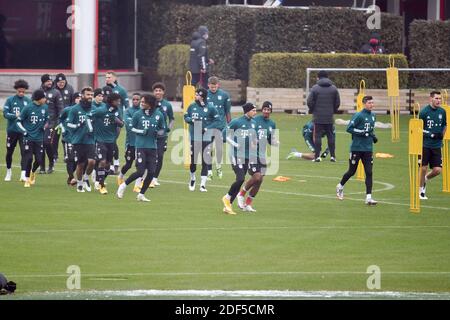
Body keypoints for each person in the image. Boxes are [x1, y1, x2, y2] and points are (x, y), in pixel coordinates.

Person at [116, 94, 165, 202]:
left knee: (152, 172)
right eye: (141, 102)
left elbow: (163, 129)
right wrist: (141, 131)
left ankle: (141, 194)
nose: (141, 103)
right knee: (140, 171)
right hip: (140, 146)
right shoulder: (138, 114)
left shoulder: (159, 115)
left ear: (150, 104)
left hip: (153, 147)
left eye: (143, 102)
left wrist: (159, 133)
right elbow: (131, 128)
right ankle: (123, 185)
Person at [336, 96, 378, 205]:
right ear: (364, 104)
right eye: (369, 103)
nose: (371, 105)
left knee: (369, 172)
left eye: (372, 103)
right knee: (352, 171)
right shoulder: (358, 115)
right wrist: (362, 132)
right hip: (356, 148)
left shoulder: (373, 116)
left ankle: (368, 197)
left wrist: (373, 136)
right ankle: (340, 186)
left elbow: (370, 130)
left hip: (368, 149)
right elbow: (349, 128)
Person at [236, 101, 278, 212]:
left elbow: (270, 140)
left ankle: (248, 204)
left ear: (271, 111)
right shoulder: (255, 121)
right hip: (252, 154)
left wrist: (275, 142)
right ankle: (241, 194)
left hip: (262, 155)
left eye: (268, 109)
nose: (266, 111)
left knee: (259, 181)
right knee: (257, 176)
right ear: (262, 110)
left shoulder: (272, 124)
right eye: (264, 109)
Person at [222, 102, 258, 215]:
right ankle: (227, 197)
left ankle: (228, 206)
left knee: (240, 180)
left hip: (247, 155)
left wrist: (254, 142)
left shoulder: (253, 123)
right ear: (247, 111)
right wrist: (235, 144)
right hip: (235, 154)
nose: (255, 112)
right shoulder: (237, 122)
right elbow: (224, 135)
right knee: (240, 178)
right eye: (253, 110)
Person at [184, 87, 220, 192]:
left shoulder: (211, 107)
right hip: (195, 137)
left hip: (206, 137)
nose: (195, 96)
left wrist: (207, 128)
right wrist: (191, 120)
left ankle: (203, 184)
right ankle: (192, 178)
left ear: (202, 96)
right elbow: (186, 117)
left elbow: (217, 120)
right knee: (193, 161)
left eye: (197, 95)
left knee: (205, 160)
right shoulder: (192, 106)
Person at [90, 92, 124, 195]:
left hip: (111, 141)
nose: (118, 102)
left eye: (119, 100)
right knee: (102, 162)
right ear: (111, 101)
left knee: (108, 166)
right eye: (116, 100)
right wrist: (92, 129)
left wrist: (116, 120)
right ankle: (101, 185)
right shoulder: (101, 110)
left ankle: (99, 180)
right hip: (100, 140)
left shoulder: (117, 110)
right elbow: (89, 116)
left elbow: (122, 124)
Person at [16, 89, 49, 188]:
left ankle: (32, 173)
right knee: (29, 158)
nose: (45, 99)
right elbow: (18, 121)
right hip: (28, 138)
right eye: (44, 97)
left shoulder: (45, 107)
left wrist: (45, 126)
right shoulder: (28, 108)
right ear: (39, 98)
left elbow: (47, 120)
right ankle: (26, 179)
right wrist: (24, 131)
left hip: (39, 138)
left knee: (39, 160)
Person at [67, 87, 96, 193]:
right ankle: (79, 183)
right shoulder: (74, 109)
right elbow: (68, 124)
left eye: (91, 95)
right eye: (88, 95)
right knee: (80, 164)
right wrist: (77, 126)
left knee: (92, 162)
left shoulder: (94, 108)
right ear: (82, 95)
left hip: (90, 140)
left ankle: (86, 177)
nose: (90, 97)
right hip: (78, 140)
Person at [419, 91, 447, 200]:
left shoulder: (442, 111)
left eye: (440, 98)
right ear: (431, 99)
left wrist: (441, 136)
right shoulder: (424, 112)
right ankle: (421, 190)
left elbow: (445, 125)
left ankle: (425, 179)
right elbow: (418, 128)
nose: (439, 100)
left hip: (437, 146)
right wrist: (430, 134)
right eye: (436, 98)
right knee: (424, 168)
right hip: (425, 145)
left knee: (437, 170)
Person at [307, 70, 340, 162]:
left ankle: (317, 157)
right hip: (329, 116)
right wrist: (332, 110)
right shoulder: (334, 88)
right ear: (327, 77)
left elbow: (309, 101)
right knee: (330, 135)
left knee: (317, 136)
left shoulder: (315, 88)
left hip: (318, 116)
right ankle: (333, 157)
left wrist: (313, 109)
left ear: (318, 77)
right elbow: (337, 102)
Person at [3, 79, 31, 182]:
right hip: (12, 130)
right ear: (16, 90)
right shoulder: (10, 100)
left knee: (24, 152)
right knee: (9, 152)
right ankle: (8, 171)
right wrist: (15, 115)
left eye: (23, 91)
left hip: (23, 131)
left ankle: (23, 173)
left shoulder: (28, 101)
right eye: (19, 91)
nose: (21, 93)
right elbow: (5, 114)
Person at [206, 76, 231, 180]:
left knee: (219, 148)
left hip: (220, 126)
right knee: (208, 149)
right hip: (208, 126)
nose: (213, 89)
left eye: (215, 87)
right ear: (208, 85)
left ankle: (219, 167)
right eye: (211, 87)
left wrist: (229, 125)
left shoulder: (224, 95)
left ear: (218, 85)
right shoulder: (205, 95)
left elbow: (227, 111)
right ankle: (209, 171)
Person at [117, 93, 143, 192]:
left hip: (141, 144)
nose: (136, 101)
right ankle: (120, 176)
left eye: (138, 99)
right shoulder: (127, 111)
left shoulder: (143, 111)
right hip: (130, 143)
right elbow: (129, 124)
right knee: (128, 164)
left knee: (140, 165)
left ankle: (137, 185)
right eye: (134, 99)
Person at [105, 70, 129, 174]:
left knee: (112, 141)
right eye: (106, 77)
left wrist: (124, 118)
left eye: (109, 77)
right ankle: (111, 165)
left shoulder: (121, 90)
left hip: (117, 120)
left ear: (115, 78)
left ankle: (115, 165)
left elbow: (127, 106)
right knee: (108, 142)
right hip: (106, 120)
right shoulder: (105, 90)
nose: (107, 79)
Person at [151, 82, 175, 188]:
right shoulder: (150, 102)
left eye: (160, 90)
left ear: (163, 92)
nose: (158, 92)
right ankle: (146, 177)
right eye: (156, 90)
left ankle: (155, 178)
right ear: (153, 92)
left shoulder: (167, 105)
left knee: (159, 156)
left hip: (162, 136)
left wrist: (169, 127)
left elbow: (172, 118)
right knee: (151, 156)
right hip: (150, 135)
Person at [40, 73, 63, 174]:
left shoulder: (56, 92)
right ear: (43, 82)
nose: (49, 83)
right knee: (40, 145)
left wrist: (58, 122)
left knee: (47, 143)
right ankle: (41, 167)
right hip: (39, 124)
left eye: (50, 81)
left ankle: (51, 162)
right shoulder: (38, 92)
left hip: (52, 123)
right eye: (47, 81)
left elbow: (60, 109)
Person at [59, 92, 81, 186]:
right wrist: (63, 129)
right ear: (74, 99)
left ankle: (70, 177)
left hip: (78, 139)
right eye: (78, 98)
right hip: (68, 138)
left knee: (76, 159)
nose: (79, 99)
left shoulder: (83, 110)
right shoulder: (67, 110)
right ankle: (72, 178)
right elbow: (60, 120)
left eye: (81, 97)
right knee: (70, 158)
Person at [53, 73, 74, 163]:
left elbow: (73, 102)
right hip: (55, 118)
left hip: (67, 118)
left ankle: (67, 155)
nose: (61, 84)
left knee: (66, 137)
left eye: (63, 82)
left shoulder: (70, 88)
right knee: (55, 138)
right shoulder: (52, 89)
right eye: (59, 82)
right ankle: (54, 156)